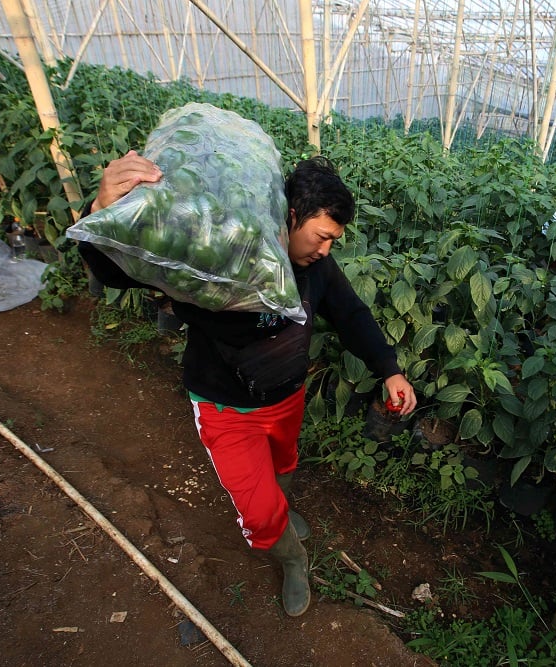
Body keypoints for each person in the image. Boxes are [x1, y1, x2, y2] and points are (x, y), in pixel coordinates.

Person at [79, 150, 417, 617]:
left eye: (334, 241)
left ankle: (284, 510)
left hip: (286, 398)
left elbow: (350, 313)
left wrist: (389, 368)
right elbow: (120, 267)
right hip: (225, 407)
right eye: (321, 237)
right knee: (258, 512)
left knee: (283, 463)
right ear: (291, 215)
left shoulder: (316, 266)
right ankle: (293, 560)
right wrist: (100, 211)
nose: (325, 250)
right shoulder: (223, 253)